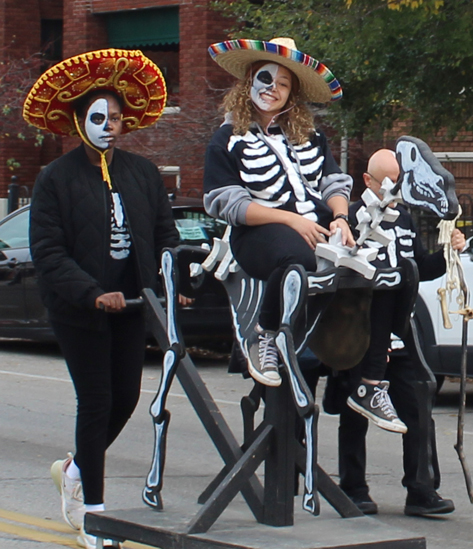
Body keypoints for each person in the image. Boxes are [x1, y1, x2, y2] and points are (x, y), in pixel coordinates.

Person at [24, 49, 181, 549]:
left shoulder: (143, 173)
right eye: (98, 117)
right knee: (95, 401)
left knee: (127, 398)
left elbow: (164, 236)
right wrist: (92, 295)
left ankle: (74, 467)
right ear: (79, 120)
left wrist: (173, 283)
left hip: (132, 307)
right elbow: (48, 252)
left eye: (115, 117)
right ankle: (93, 513)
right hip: (80, 311)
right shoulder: (56, 178)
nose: (108, 125)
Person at [203, 37, 355, 387]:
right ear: (250, 82)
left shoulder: (310, 136)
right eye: (266, 79)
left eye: (283, 84)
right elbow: (225, 201)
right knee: (295, 256)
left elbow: (333, 182)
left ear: (292, 94)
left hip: (316, 225)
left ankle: (371, 370)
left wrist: (342, 218)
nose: (273, 89)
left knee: (384, 254)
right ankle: (265, 333)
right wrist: (290, 219)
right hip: (259, 232)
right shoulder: (227, 138)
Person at [330, 148, 465, 516]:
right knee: (357, 408)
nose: (394, 187)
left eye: (399, 180)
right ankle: (354, 487)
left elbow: (420, 267)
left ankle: (421, 489)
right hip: (361, 329)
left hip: (400, 331)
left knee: (418, 404)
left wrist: (448, 253)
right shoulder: (351, 216)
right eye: (387, 180)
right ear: (367, 181)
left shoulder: (404, 218)